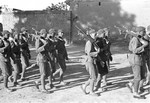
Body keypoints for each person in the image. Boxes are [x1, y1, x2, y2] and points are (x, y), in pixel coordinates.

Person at [127, 26, 147, 99]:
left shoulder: (139, 38)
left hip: (140, 58)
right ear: (139, 32)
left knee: (142, 76)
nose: (144, 32)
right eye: (143, 31)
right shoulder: (135, 39)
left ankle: (130, 84)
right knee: (137, 77)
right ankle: (135, 93)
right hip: (135, 59)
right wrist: (143, 46)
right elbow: (134, 50)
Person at [81, 29, 99, 96]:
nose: (96, 35)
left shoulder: (92, 42)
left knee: (94, 76)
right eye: (94, 34)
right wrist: (97, 52)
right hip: (89, 61)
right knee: (93, 77)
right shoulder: (89, 42)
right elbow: (88, 53)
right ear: (91, 34)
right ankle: (91, 91)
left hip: (92, 60)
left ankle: (84, 86)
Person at [33, 29, 52, 93]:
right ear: (42, 34)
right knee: (43, 74)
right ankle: (43, 89)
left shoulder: (45, 40)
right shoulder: (38, 41)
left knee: (48, 73)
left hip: (46, 58)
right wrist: (44, 45)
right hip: (41, 58)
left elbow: (48, 48)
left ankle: (37, 81)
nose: (46, 34)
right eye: (45, 33)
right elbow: (37, 50)